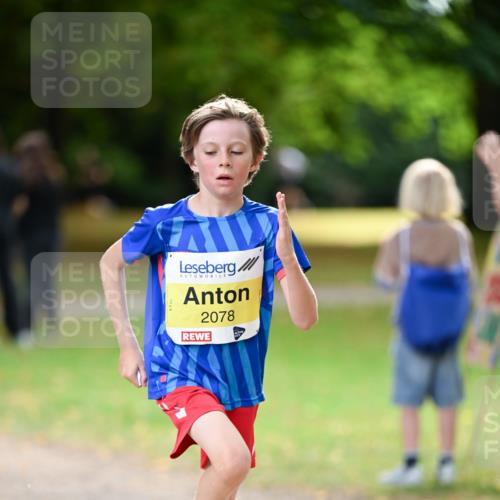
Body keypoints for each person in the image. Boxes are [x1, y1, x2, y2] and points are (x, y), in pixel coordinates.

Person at [100, 95, 318, 500]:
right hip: (178, 372)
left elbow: (305, 319)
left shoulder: (270, 227)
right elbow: (109, 264)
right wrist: (127, 343)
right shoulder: (165, 222)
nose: (224, 161)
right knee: (233, 461)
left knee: (227, 476)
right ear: (192, 159)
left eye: (237, 152)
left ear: (254, 161)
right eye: (211, 151)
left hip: (242, 380)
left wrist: (287, 256)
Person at [373, 158, 477, 486]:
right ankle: (447, 463)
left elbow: (384, 279)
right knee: (448, 398)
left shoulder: (401, 236)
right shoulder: (458, 235)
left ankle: (411, 462)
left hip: (412, 330)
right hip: (448, 332)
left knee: (409, 398)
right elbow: (469, 279)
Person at [13, 130, 65, 345]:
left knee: (31, 281)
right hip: (51, 235)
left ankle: (27, 329)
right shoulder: (55, 175)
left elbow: (19, 210)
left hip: (31, 236)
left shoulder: (25, 179)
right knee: (47, 281)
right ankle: (52, 326)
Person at [0, 127, 22, 342]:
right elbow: (20, 202)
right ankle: (14, 327)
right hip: (5, 228)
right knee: (7, 278)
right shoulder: (11, 169)